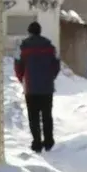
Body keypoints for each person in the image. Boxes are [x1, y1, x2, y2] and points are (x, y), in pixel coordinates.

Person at [14, 21, 61, 153]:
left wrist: (22, 79)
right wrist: (50, 77)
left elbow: (18, 66)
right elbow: (56, 65)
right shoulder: (50, 46)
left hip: (31, 87)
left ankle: (37, 143)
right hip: (47, 87)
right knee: (47, 115)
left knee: (33, 116)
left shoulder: (23, 47)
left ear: (29, 32)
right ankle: (49, 142)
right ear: (40, 31)